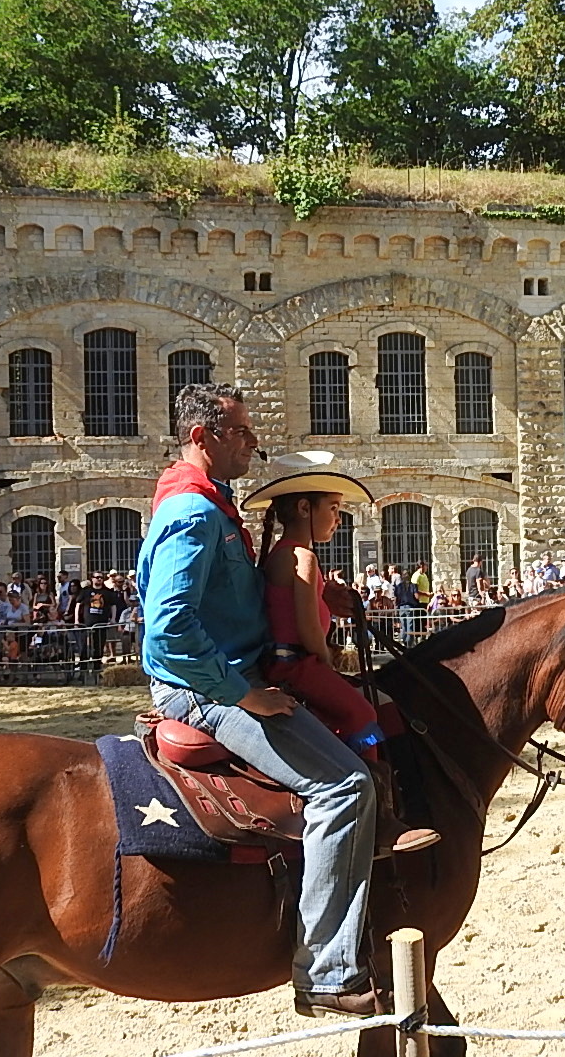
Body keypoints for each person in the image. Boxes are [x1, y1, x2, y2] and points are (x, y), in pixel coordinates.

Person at [138, 382, 384, 1018]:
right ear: (203, 438)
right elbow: (169, 629)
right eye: (242, 433)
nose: (253, 443)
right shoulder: (193, 514)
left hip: (226, 673)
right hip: (206, 689)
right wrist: (245, 694)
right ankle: (327, 969)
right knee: (345, 786)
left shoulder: (209, 506)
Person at [248, 468, 440, 856]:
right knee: (364, 716)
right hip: (299, 664)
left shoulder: (280, 555)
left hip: (284, 663)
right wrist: (325, 661)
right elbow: (306, 628)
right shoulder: (302, 557)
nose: (338, 518)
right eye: (333, 508)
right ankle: (378, 819)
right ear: (304, 507)